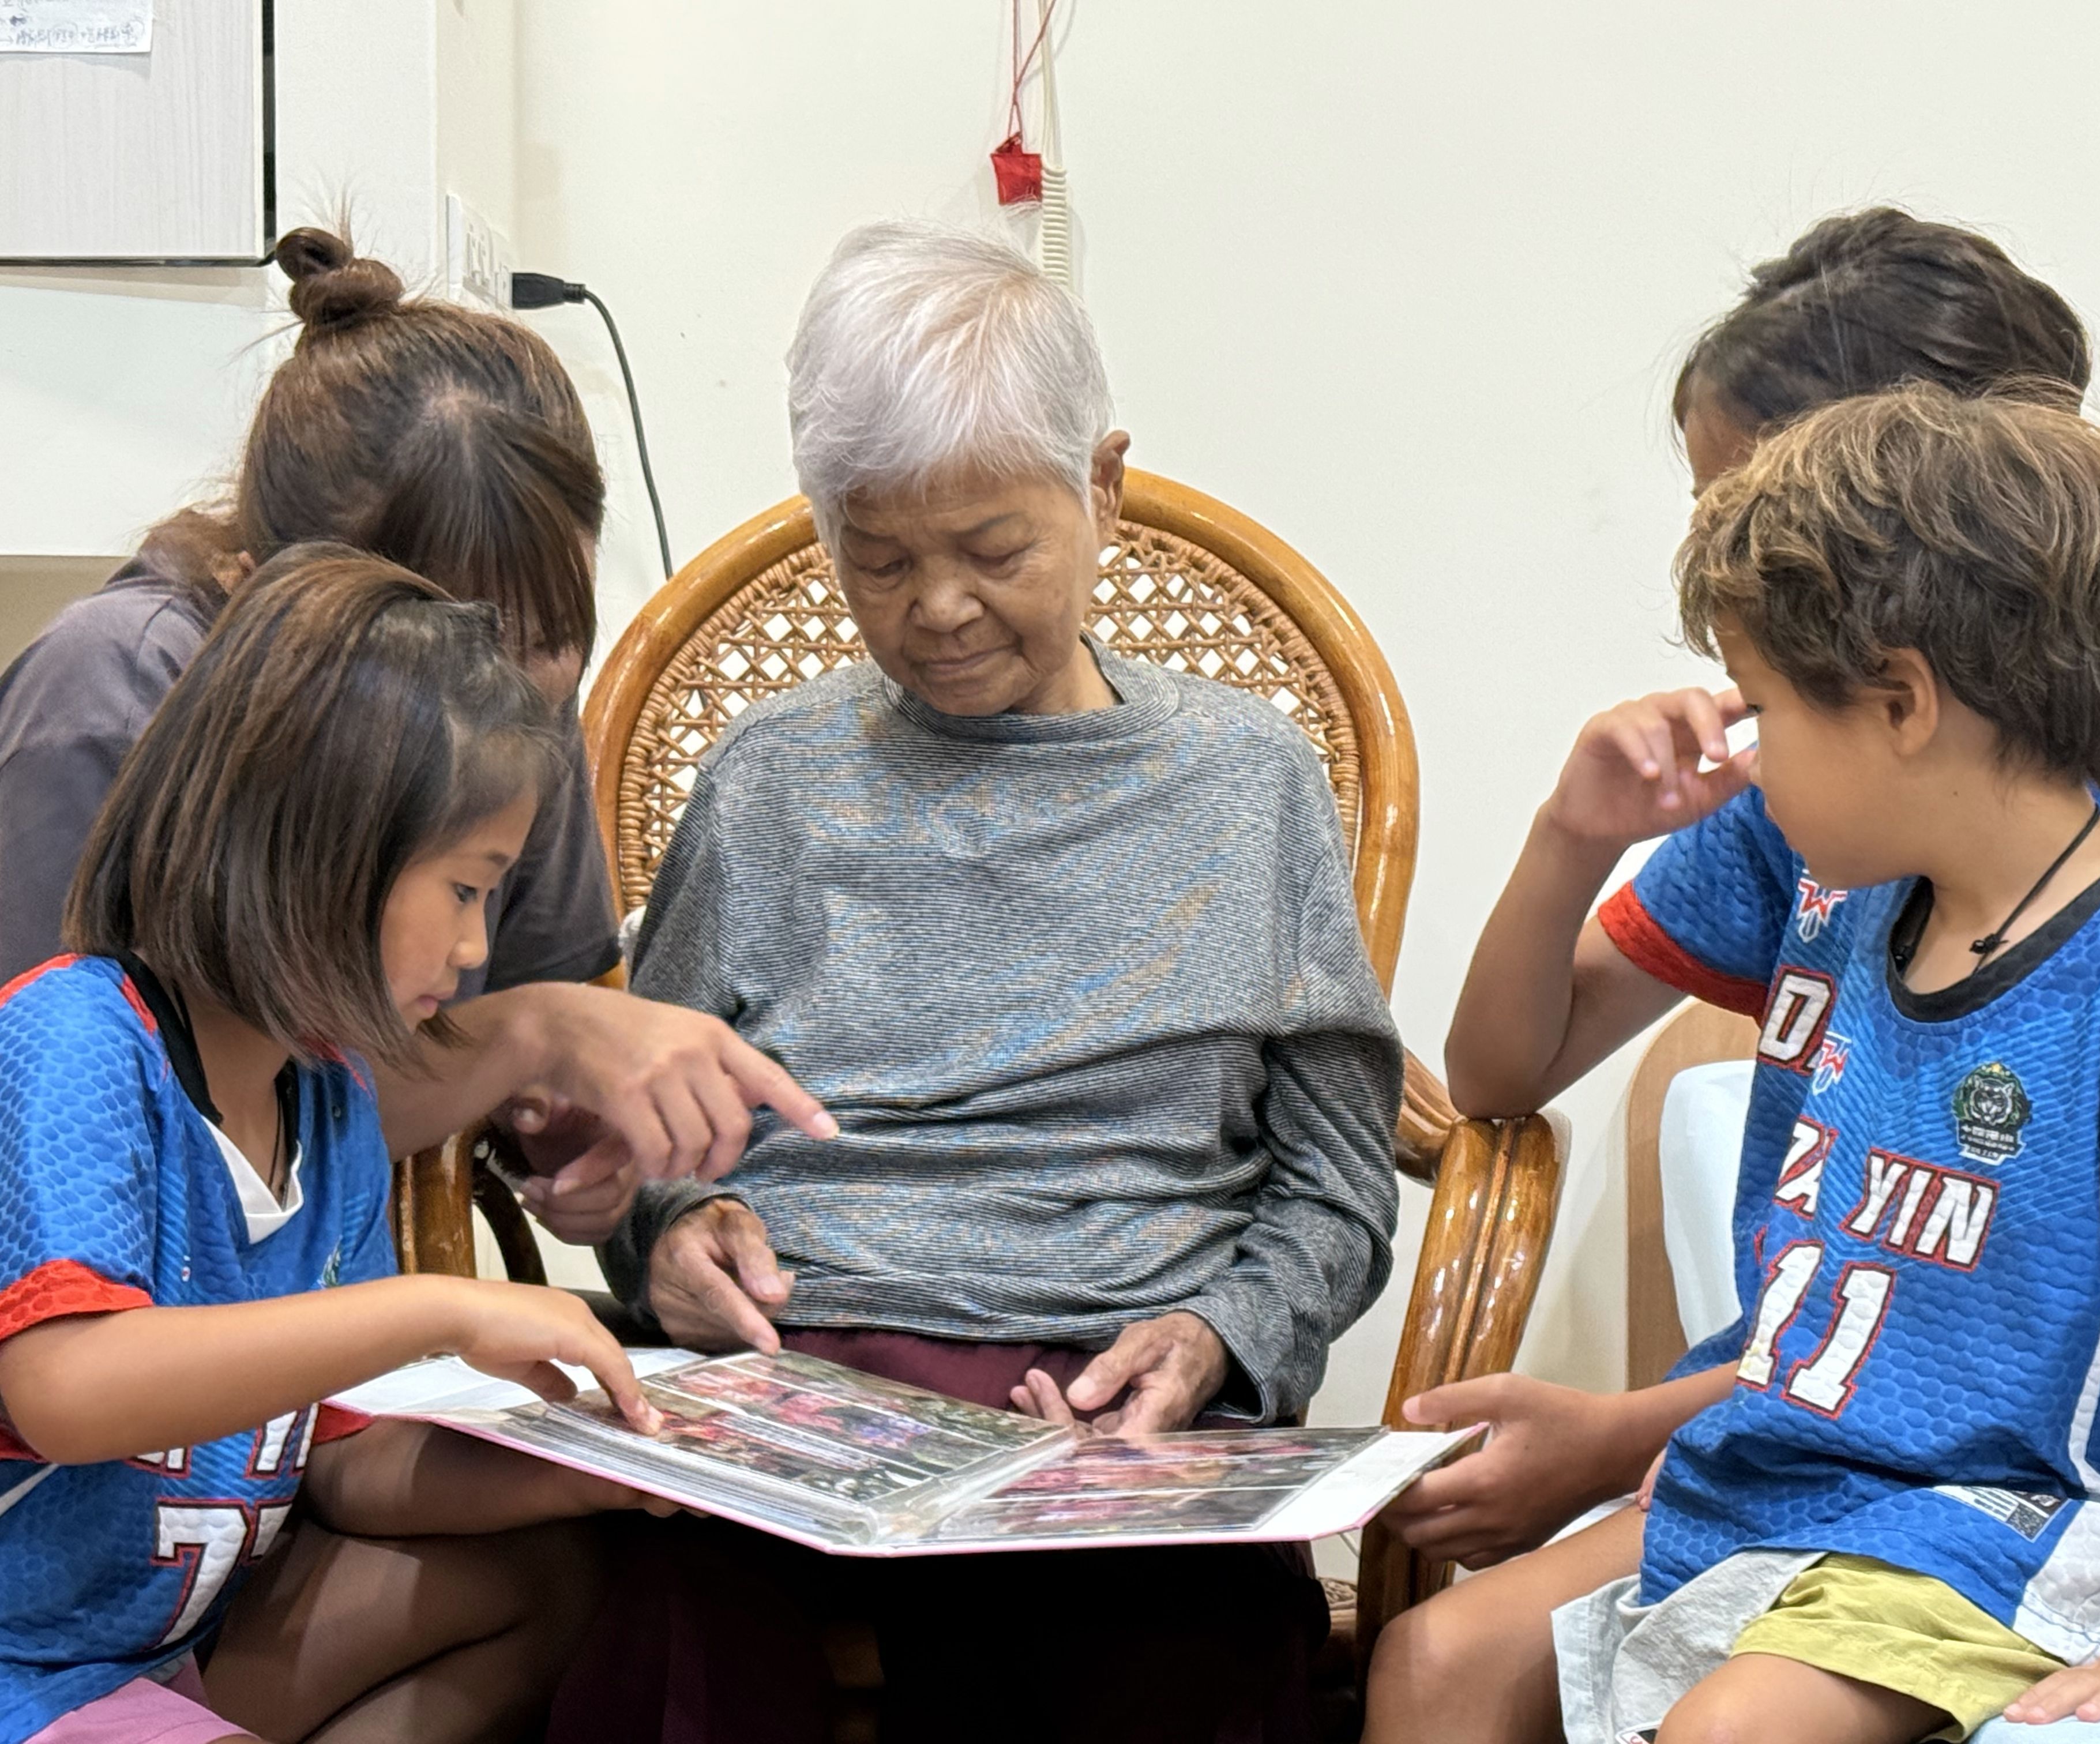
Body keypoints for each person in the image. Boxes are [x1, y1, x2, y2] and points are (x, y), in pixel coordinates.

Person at [1363, 209, 2100, 1743]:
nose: (1737, 739)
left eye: (1764, 700)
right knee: (1431, 1664)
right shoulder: (1863, 879)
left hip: (2004, 1498)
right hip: (1814, 1451)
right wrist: (1567, 835)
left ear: (1898, 684)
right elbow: (1504, 1076)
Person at [570, 220, 1403, 1744]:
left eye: (995, 551)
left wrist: (1220, 1337)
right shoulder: (769, 786)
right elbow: (637, 1146)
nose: (937, 608)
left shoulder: (1248, 786)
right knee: (662, 1628)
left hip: (1105, 1400)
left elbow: (1340, 1189)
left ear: (1104, 488)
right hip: (798, 1384)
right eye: (878, 562)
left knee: (1180, 1654)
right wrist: (678, 1231)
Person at [0, 228, 832, 1250]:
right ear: (285, 598)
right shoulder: (111, 706)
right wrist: (527, 1040)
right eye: (470, 642)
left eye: (552, 638)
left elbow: (539, 1009)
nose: (514, 697)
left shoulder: (506, 686)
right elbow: (128, 1149)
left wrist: (597, 1145)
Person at [0, 548, 671, 1744]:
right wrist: (436, 1309)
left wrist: (618, 1475)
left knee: (549, 1579)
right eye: (467, 891)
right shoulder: (78, 1036)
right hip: (25, 1676)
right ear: (324, 853)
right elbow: (66, 1389)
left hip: (164, 1653)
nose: (476, 953)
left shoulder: (329, 1101)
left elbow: (340, 1466)